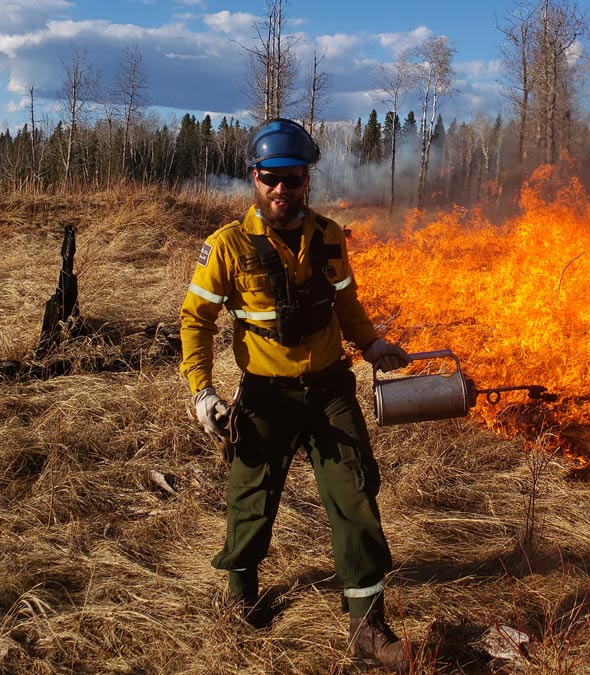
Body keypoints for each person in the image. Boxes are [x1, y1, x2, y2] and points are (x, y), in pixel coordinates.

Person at [179, 118, 412, 670]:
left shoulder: (329, 236)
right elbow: (196, 322)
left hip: (331, 388)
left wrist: (372, 343)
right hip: (266, 395)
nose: (281, 189)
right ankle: (240, 598)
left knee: (355, 494)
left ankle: (368, 629)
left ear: (307, 178)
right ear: (254, 179)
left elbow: (346, 302)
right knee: (252, 498)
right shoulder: (226, 247)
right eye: (270, 178)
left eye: (293, 177)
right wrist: (202, 392)